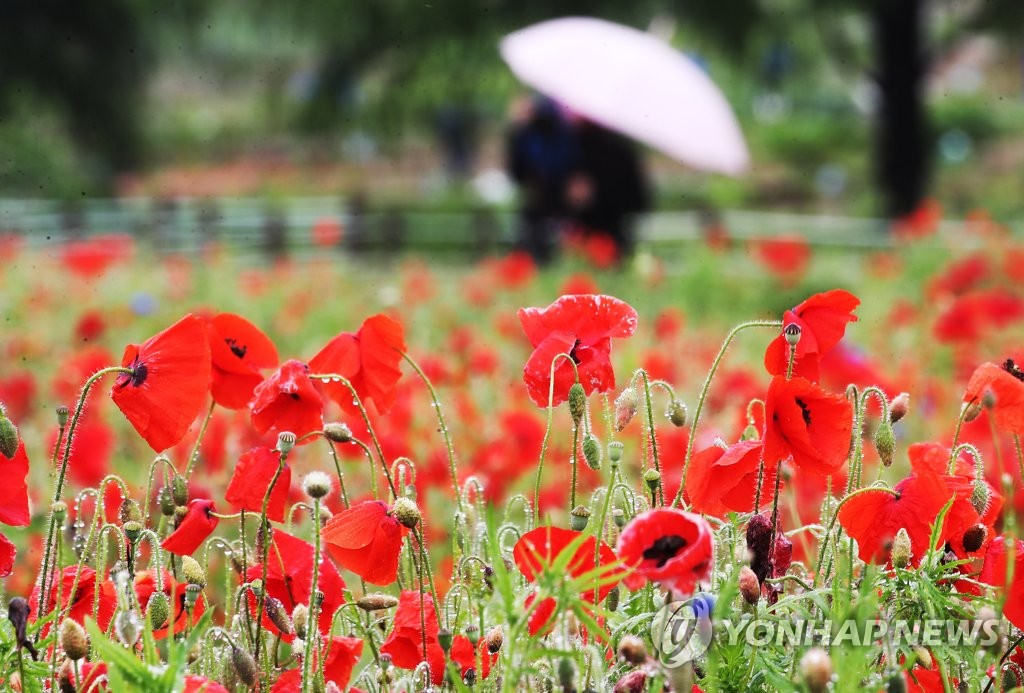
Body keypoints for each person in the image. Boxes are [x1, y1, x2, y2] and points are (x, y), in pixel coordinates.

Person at [565, 120, 651, 263]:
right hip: (598, 237)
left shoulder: (575, 149)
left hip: (605, 236)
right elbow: (640, 201)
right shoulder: (623, 149)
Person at [505, 96, 578, 264]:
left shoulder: (561, 132)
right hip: (537, 196)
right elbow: (517, 168)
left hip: (559, 196)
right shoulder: (526, 135)